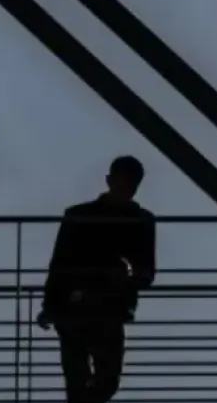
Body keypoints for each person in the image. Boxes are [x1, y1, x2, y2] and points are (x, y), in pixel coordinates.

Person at [37, 156, 157, 403]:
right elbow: (59, 263)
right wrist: (50, 305)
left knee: (98, 382)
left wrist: (130, 281)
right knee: (87, 381)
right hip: (82, 307)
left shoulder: (137, 220)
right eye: (123, 185)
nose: (126, 192)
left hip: (99, 306)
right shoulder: (81, 216)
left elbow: (145, 270)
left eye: (130, 187)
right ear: (110, 181)